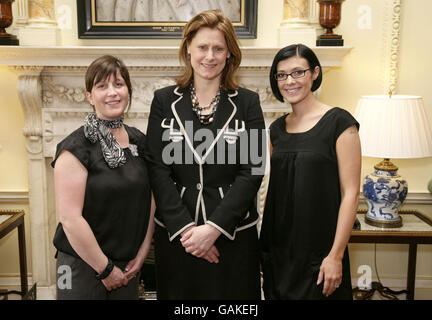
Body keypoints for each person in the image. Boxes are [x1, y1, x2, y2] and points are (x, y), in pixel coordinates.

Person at [145, 10, 265, 299]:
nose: (209, 56)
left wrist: (214, 229)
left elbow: (253, 171)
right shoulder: (163, 101)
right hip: (178, 236)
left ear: (229, 55)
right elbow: (157, 168)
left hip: (232, 234)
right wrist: (188, 231)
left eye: (218, 48)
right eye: (202, 47)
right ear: (188, 48)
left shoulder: (248, 103)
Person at [260, 44, 361, 300]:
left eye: (297, 72)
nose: (289, 81)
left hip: (321, 257)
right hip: (278, 255)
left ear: (315, 73)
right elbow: (259, 186)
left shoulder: (340, 123)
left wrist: (336, 255)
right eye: (281, 75)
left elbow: (351, 193)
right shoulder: (275, 129)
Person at [52, 55, 155, 300]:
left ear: (129, 90)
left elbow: (151, 202)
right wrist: (105, 269)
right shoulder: (75, 148)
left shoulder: (140, 141)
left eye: (119, 84)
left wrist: (142, 254)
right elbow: (70, 219)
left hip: (128, 266)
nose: (112, 92)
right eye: (102, 86)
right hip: (80, 266)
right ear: (89, 96)